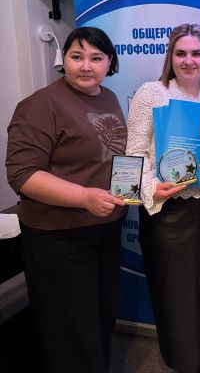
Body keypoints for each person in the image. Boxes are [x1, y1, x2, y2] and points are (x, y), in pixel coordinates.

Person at [6, 26, 127, 373]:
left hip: (104, 231)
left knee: (99, 321)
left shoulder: (109, 98)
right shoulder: (41, 105)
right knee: (71, 332)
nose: (85, 66)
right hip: (60, 237)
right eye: (76, 56)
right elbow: (23, 174)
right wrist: (83, 197)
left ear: (110, 62)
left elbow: (115, 159)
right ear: (64, 59)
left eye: (96, 58)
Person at [126, 23, 200, 373]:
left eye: (196, 53)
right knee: (174, 293)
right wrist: (149, 188)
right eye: (181, 53)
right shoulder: (151, 93)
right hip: (166, 212)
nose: (189, 60)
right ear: (170, 57)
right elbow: (132, 154)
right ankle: (182, 362)